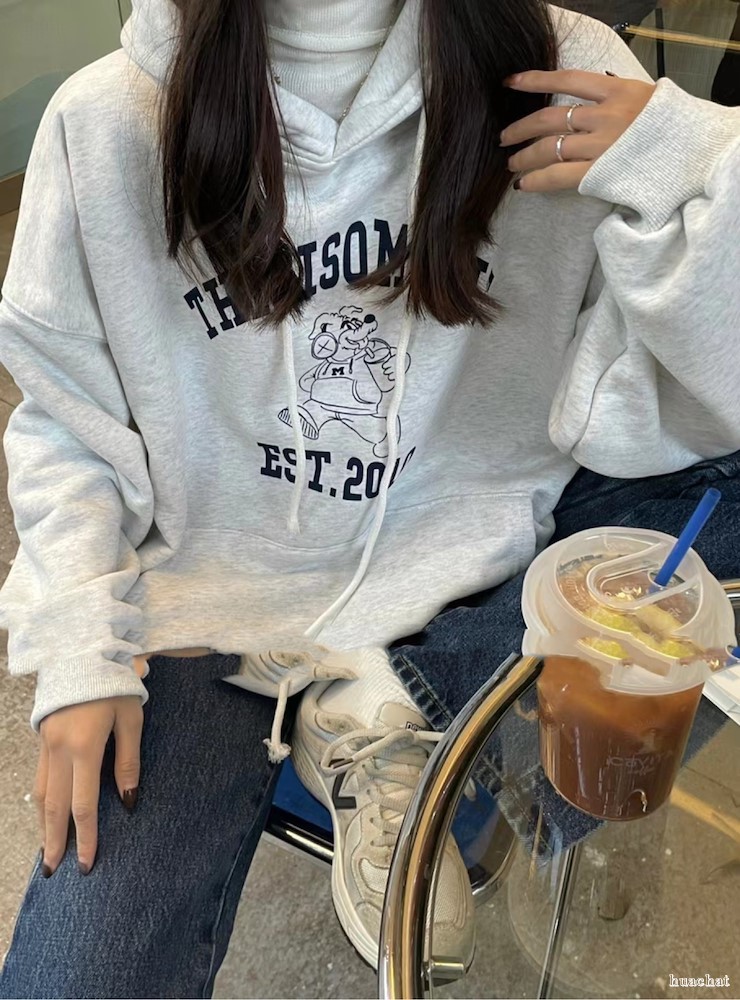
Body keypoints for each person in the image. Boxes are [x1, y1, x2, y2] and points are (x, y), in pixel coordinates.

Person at [0, 0, 738, 995]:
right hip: (210, 612)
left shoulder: (560, 71)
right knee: (72, 979)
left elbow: (709, 389)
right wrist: (76, 646)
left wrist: (695, 160)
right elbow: (63, 417)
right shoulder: (110, 118)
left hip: (472, 577)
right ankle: (440, 733)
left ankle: (399, 700)